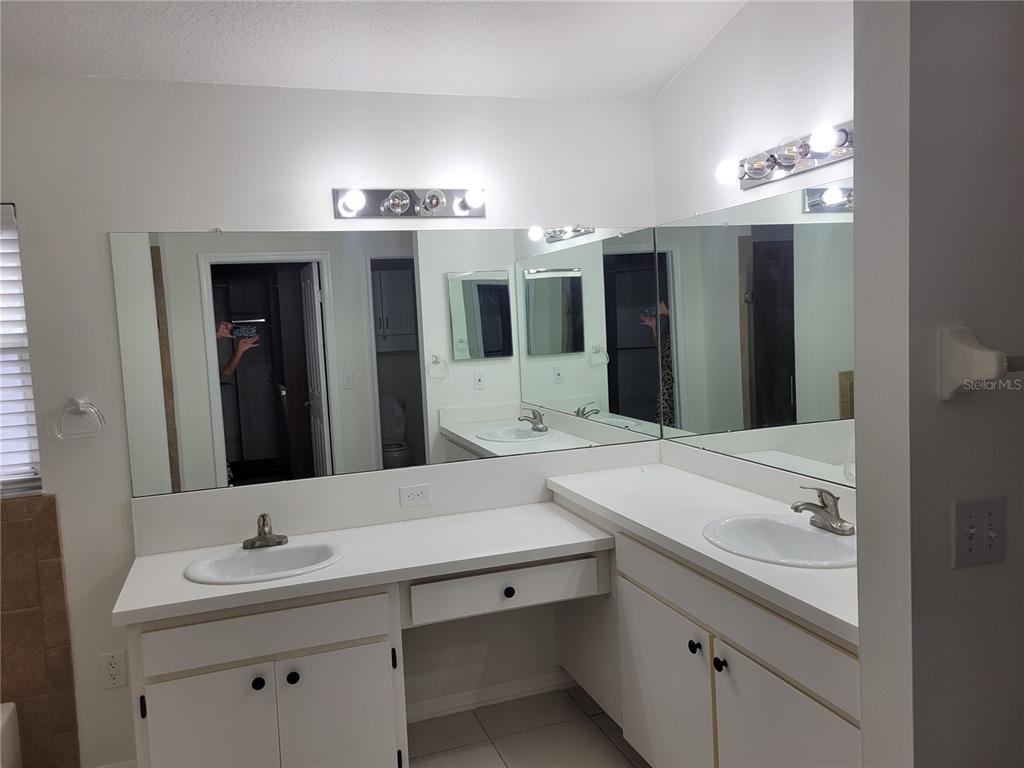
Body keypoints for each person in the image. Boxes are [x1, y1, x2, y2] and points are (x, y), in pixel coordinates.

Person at [640, 300, 675, 427]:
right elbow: (657, 345)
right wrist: (653, 327)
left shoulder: (681, 329)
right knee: (664, 409)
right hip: (667, 375)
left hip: (678, 375)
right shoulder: (670, 334)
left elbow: (686, 318)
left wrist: (667, 312)